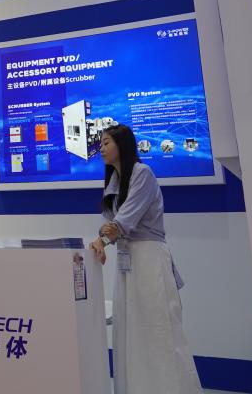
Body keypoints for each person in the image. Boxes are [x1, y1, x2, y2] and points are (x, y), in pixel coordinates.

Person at [88, 124, 201, 394]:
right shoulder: (113, 182)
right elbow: (110, 224)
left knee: (157, 329)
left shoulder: (143, 173)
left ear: (122, 145)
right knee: (130, 330)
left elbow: (123, 220)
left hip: (149, 259)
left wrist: (103, 238)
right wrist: (103, 238)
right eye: (101, 144)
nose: (101, 149)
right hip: (126, 261)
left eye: (106, 143)